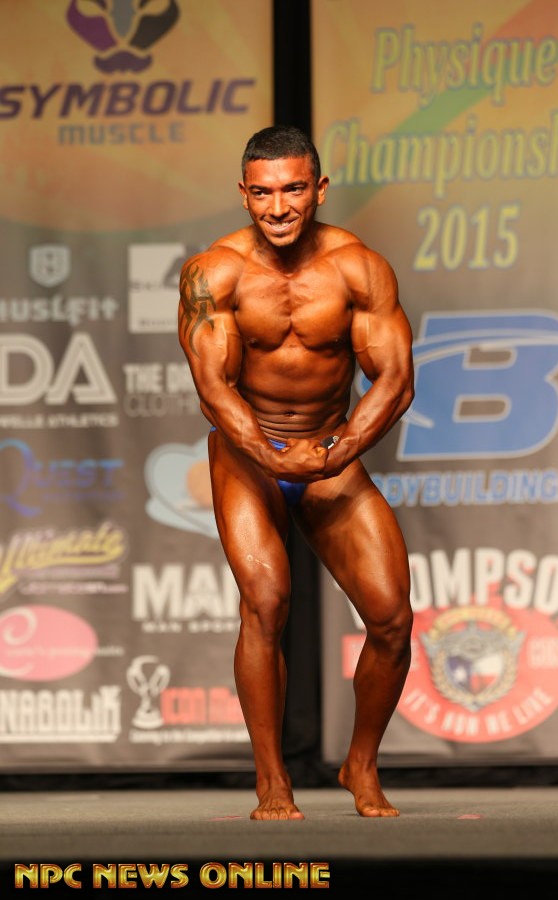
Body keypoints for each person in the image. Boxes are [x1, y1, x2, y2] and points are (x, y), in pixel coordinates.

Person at [178, 124, 414, 821]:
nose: (278, 208)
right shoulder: (213, 273)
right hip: (248, 453)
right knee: (266, 601)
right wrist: (269, 453)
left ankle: (360, 764)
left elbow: (395, 379)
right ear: (243, 193)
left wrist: (336, 451)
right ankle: (273, 780)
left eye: (292, 190)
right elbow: (213, 388)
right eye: (262, 193)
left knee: (392, 618)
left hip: (328, 450)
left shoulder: (357, 268)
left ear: (319, 189)